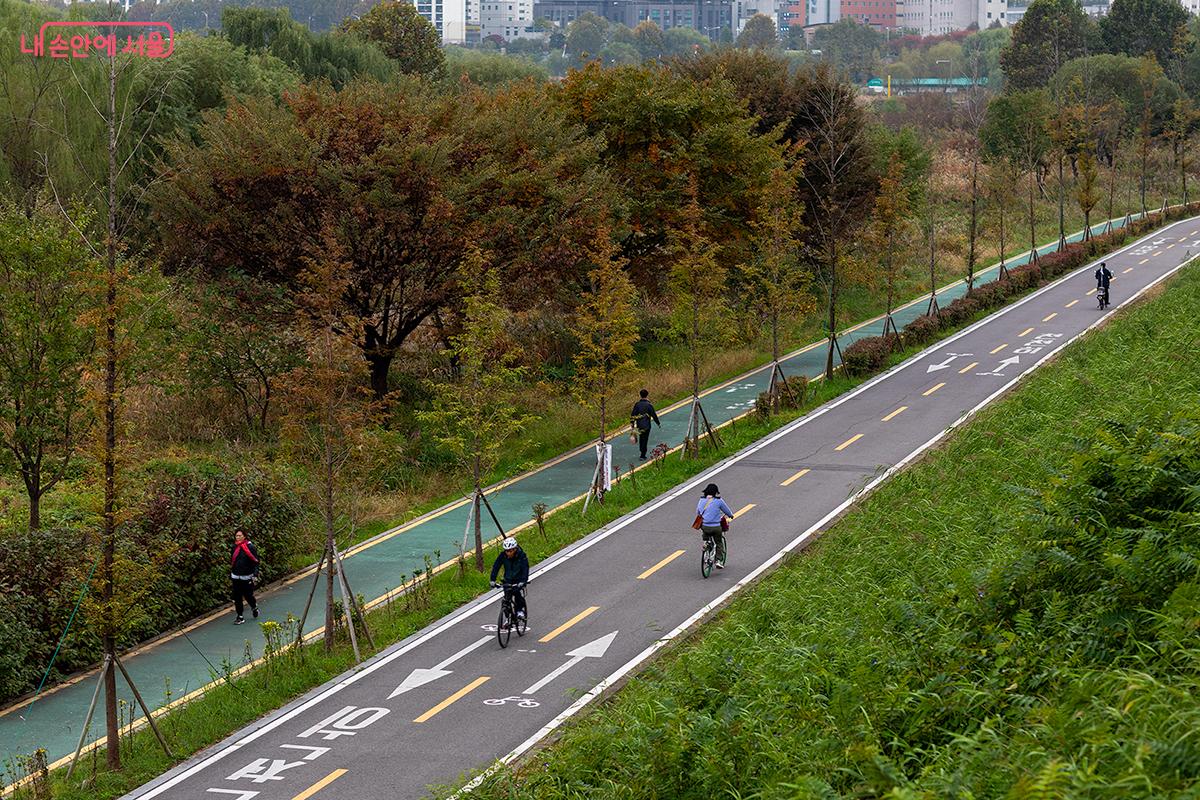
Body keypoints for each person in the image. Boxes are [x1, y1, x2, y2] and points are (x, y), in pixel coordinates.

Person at [490, 536, 529, 623]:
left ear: (515, 549)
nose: (508, 553)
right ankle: (508, 617)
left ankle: (519, 611)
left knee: (517, 595)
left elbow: (525, 569)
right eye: (507, 551)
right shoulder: (502, 556)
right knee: (506, 600)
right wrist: (492, 580)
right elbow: (496, 567)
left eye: (510, 550)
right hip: (507, 580)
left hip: (518, 580)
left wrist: (523, 581)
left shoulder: (522, 556)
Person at [696, 483, 735, 569]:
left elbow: (698, 512)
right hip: (716, 527)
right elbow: (727, 511)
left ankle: (706, 544)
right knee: (719, 542)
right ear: (715, 492)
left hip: (705, 526)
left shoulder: (701, 500)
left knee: (706, 536)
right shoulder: (719, 501)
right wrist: (731, 515)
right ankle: (718, 561)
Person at [230, 529, 260, 625]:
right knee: (237, 597)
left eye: (239, 536)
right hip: (236, 576)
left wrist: (255, 574)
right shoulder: (234, 547)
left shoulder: (250, 547)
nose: (237, 537)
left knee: (248, 596)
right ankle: (240, 616)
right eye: (236, 536)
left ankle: (254, 607)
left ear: (244, 536)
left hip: (247, 577)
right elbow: (233, 561)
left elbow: (255, 562)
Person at [630, 389, 661, 461]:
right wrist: (658, 423)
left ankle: (642, 452)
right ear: (647, 395)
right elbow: (654, 415)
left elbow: (633, 414)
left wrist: (632, 423)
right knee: (645, 439)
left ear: (640, 395)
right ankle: (643, 454)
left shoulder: (637, 404)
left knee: (641, 438)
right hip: (647, 425)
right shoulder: (649, 405)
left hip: (639, 425)